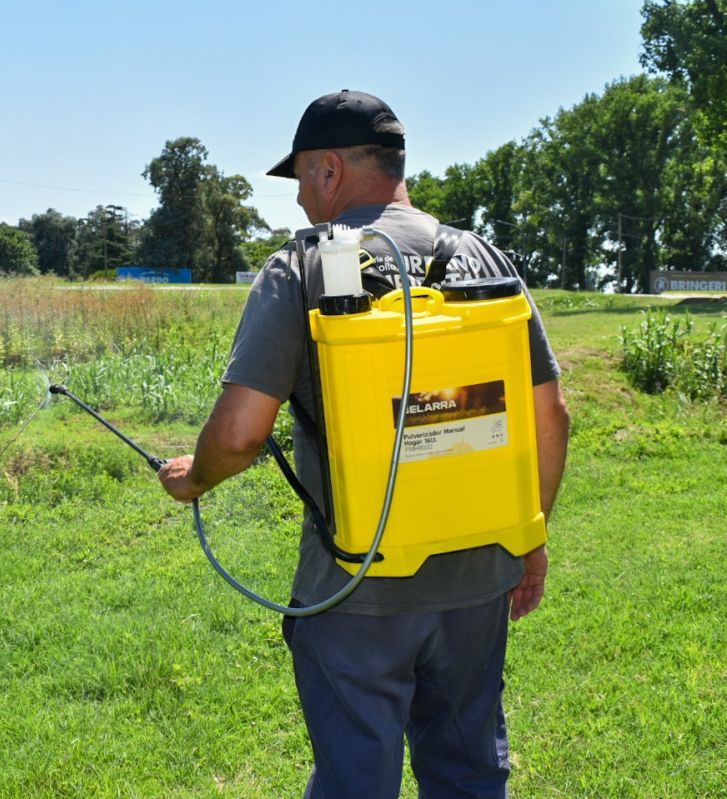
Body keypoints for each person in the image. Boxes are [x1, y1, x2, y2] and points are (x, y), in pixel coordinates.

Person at [158, 90, 570, 799]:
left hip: (356, 592)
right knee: (471, 775)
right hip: (476, 582)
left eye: (298, 185)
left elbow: (239, 433)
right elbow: (551, 412)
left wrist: (195, 479)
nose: (298, 206)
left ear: (327, 171)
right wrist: (530, 535)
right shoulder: (482, 258)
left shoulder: (301, 270)